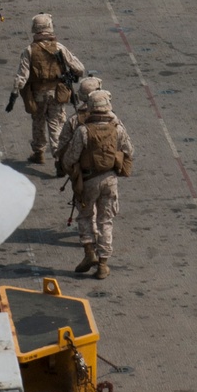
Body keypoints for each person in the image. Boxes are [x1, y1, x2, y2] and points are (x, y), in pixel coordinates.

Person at [63, 88, 134, 279]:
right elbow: (130, 150)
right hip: (110, 180)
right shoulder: (118, 128)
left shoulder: (83, 131)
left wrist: (73, 170)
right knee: (106, 221)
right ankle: (103, 264)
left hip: (88, 181)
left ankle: (89, 254)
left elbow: (70, 158)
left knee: (85, 217)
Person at [5, 13, 84, 164]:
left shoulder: (29, 50)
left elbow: (22, 76)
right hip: (57, 93)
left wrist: (13, 96)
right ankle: (58, 156)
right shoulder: (59, 48)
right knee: (56, 124)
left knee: (38, 122)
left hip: (37, 94)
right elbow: (79, 68)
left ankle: (39, 152)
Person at [55, 74, 105, 177]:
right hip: (105, 166)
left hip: (84, 170)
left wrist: (63, 166)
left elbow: (63, 145)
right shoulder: (110, 117)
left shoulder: (74, 119)